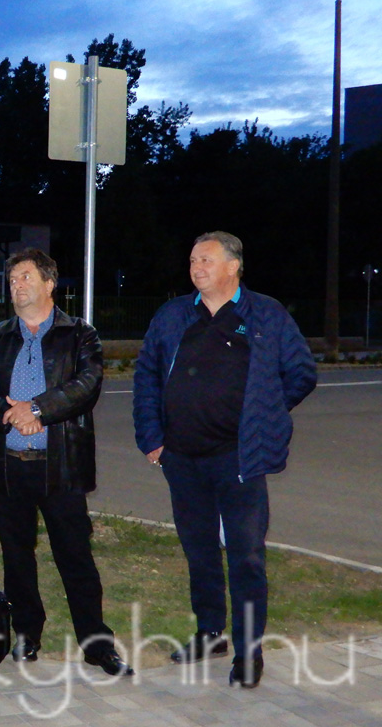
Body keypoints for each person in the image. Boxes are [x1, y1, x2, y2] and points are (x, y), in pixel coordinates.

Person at [133, 231, 316, 688]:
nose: (196, 268)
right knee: (199, 552)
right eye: (193, 260)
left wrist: (264, 414)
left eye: (206, 260)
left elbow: (301, 373)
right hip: (181, 457)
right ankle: (210, 633)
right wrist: (152, 438)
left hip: (239, 458)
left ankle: (249, 652)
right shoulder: (173, 315)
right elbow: (147, 375)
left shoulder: (266, 314)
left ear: (234, 266)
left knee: (246, 557)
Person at [0, 247, 132, 677]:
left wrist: (36, 409)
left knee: (75, 557)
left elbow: (86, 385)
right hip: (8, 465)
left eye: (25, 277)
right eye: (12, 280)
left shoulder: (79, 335)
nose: (16, 285)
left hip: (60, 466)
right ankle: (27, 633)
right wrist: (8, 412)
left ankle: (96, 645)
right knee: (17, 558)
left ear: (49, 283)